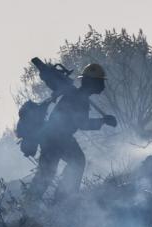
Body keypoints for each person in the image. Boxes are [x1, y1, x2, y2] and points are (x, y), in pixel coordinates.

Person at [27, 63, 118, 202]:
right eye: (100, 82)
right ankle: (63, 199)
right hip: (58, 137)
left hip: (55, 137)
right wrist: (103, 121)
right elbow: (82, 123)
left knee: (49, 172)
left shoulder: (78, 96)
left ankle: (49, 201)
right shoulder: (78, 98)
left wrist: (103, 120)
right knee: (74, 163)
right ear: (92, 83)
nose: (102, 86)